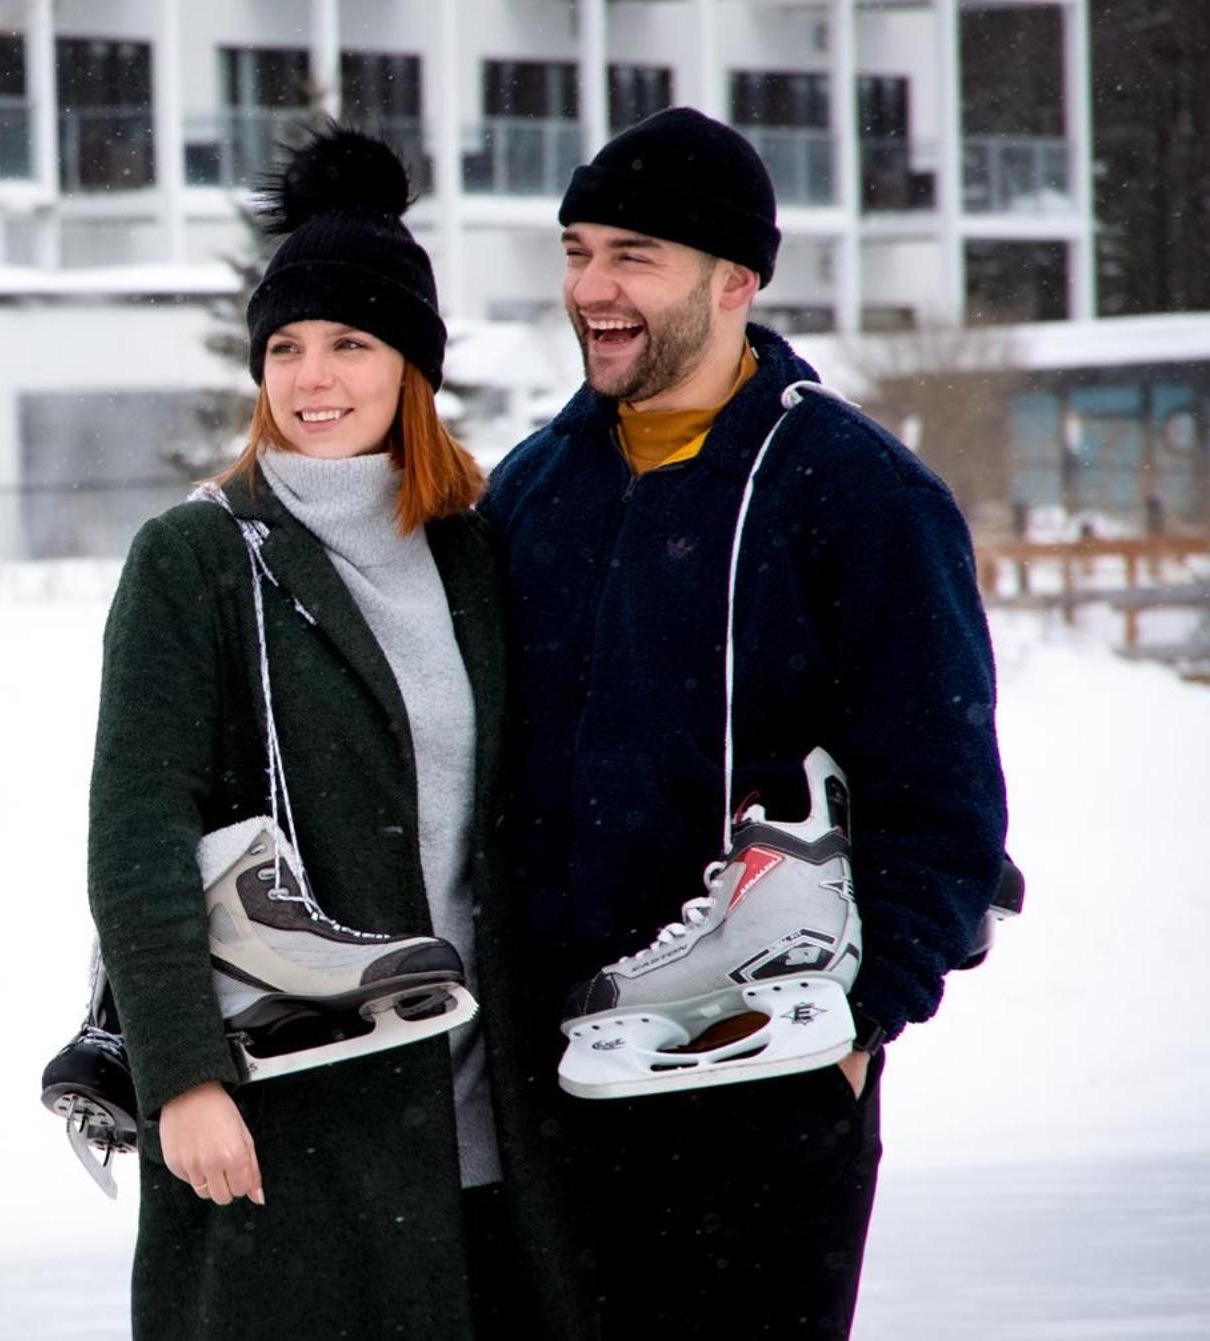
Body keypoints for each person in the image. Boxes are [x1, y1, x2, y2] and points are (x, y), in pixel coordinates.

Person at [480, 107, 1009, 1337]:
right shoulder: (528, 495)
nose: (590, 289)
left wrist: (862, 1020)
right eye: (575, 251)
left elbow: (940, 796)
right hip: (555, 1084)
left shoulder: (857, 493)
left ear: (733, 281)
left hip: (762, 1079)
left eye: (630, 257)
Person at [86, 126, 581, 1339]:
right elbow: (135, 838)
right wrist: (181, 1080)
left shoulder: (475, 552)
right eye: (286, 347)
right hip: (287, 1110)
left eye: (350, 344)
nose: (312, 378)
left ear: (410, 365)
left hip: (486, 1123)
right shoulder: (196, 559)